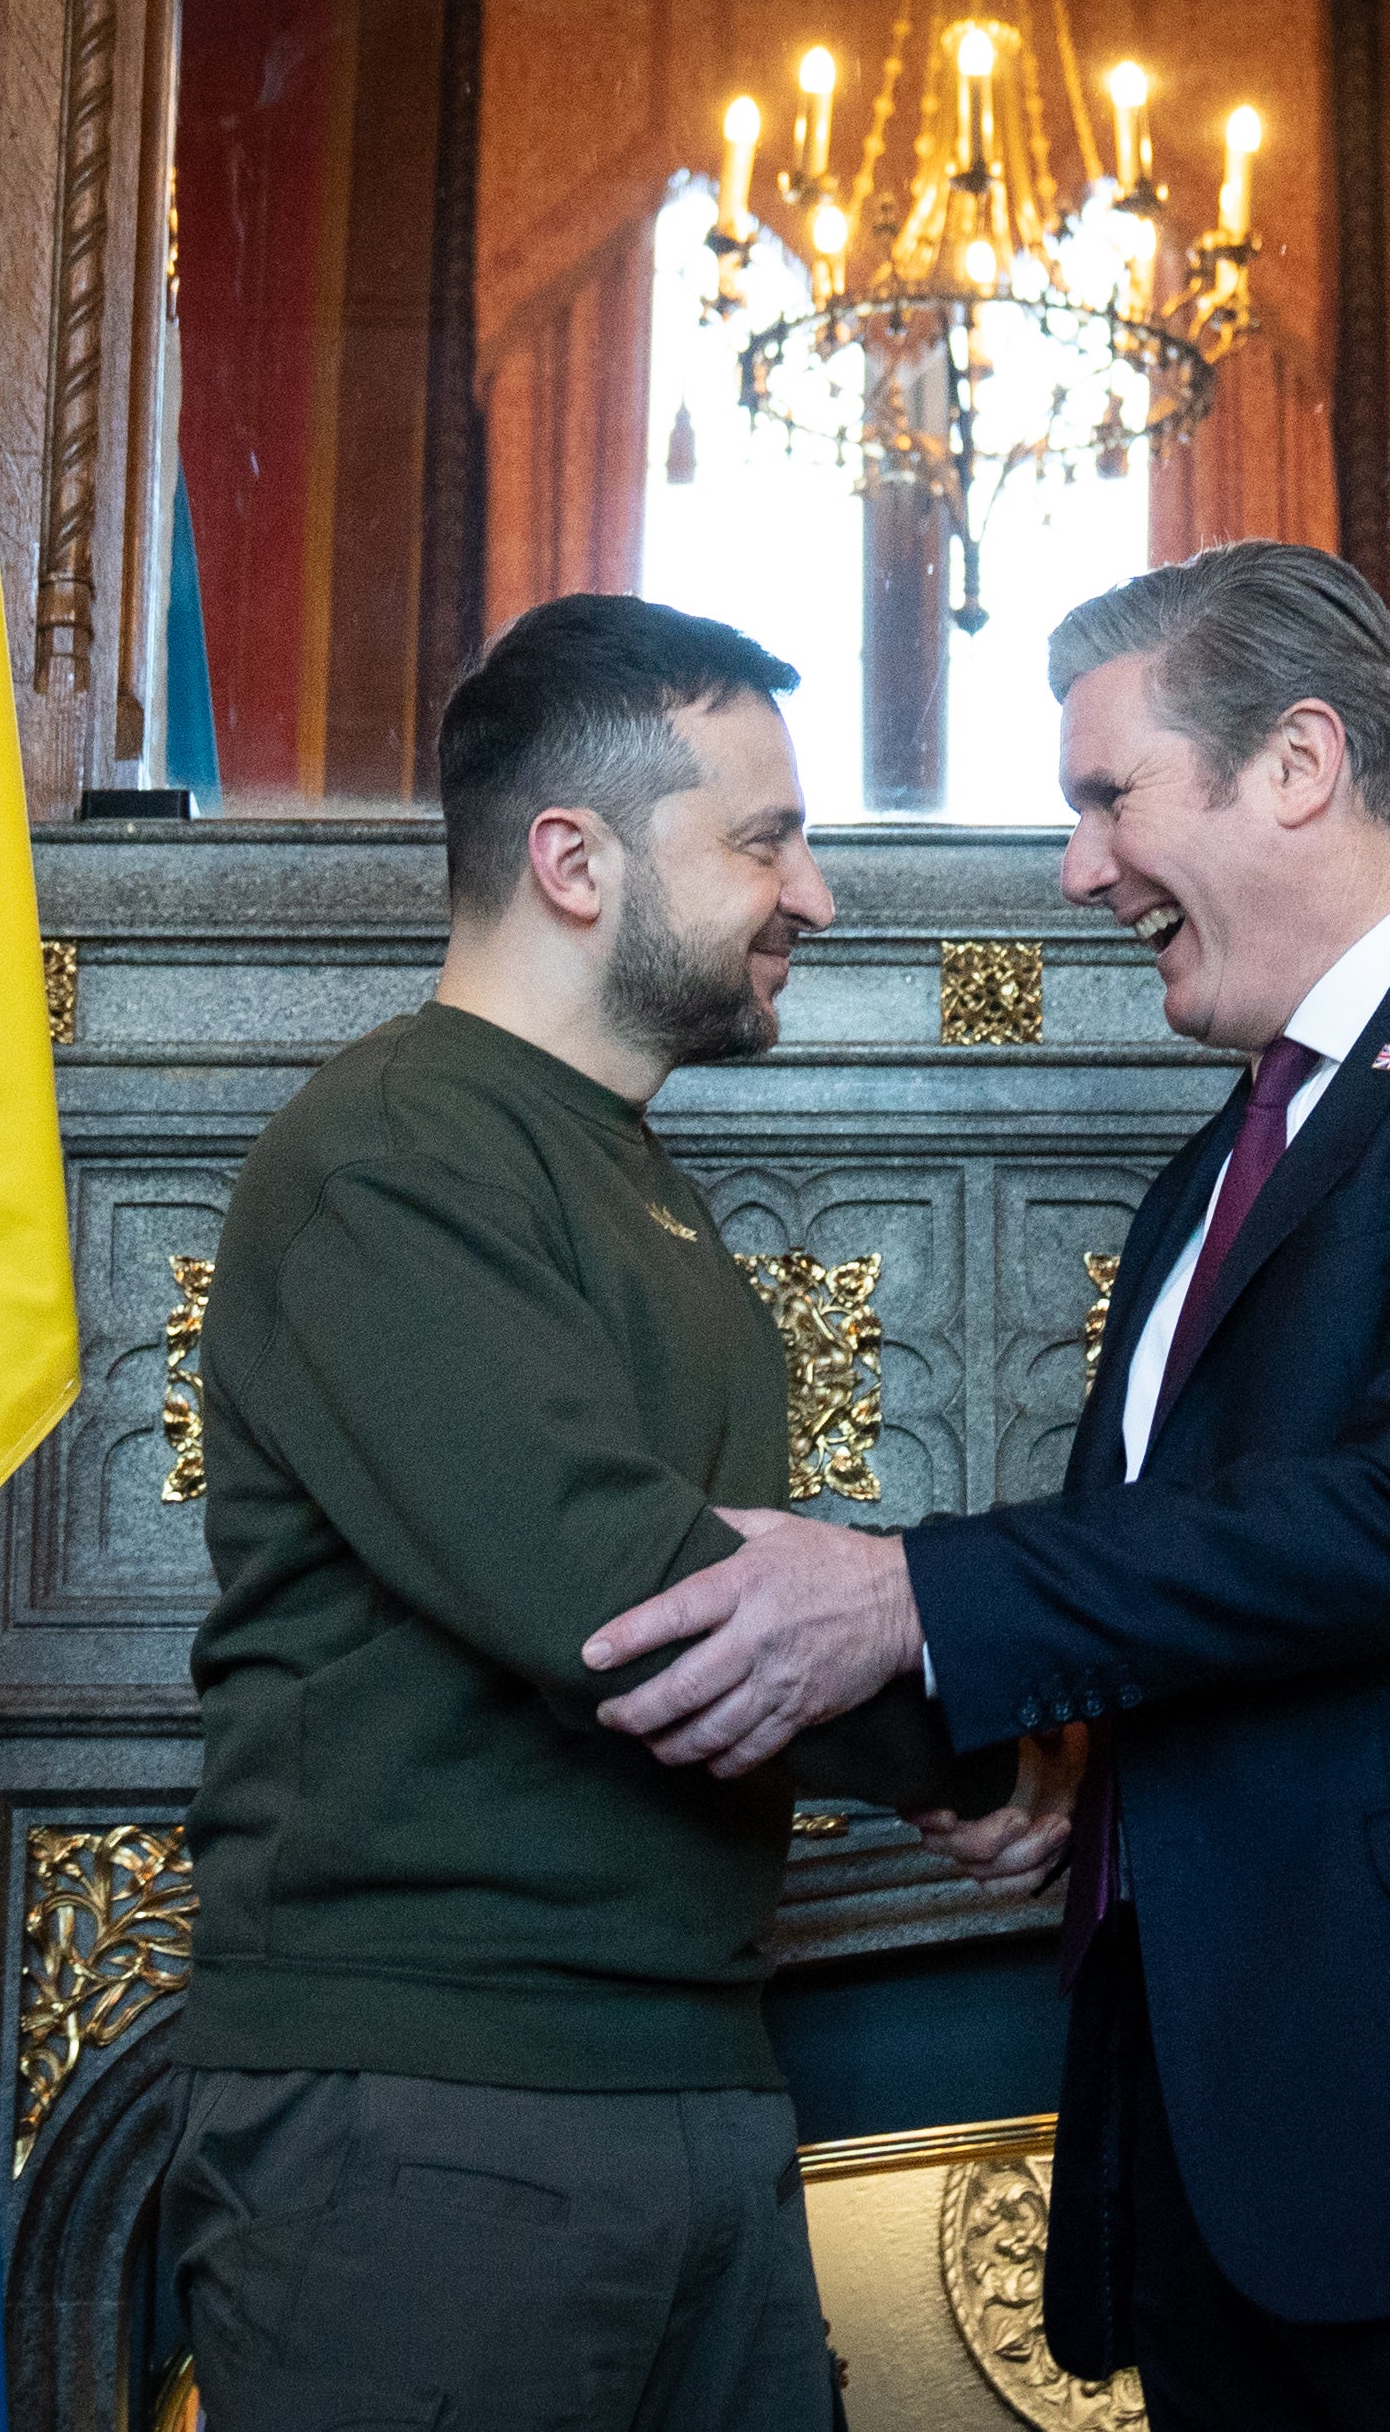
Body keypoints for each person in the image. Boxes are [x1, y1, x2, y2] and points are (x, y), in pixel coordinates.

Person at [582, 542, 1390, 2426]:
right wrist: (1086, 1770)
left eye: (1106, 795)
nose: (1078, 866)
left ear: (1299, 763)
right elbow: (1226, 1578)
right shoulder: (1214, 1169)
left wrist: (912, 1592)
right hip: (1233, 2178)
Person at [161, 594, 1011, 2431]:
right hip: (435, 2121)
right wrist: (997, 1758)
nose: (817, 895)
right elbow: (619, 1594)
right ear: (573, 858)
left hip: (683, 2083)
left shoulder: (634, 1182)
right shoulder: (397, 1150)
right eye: (766, 840)